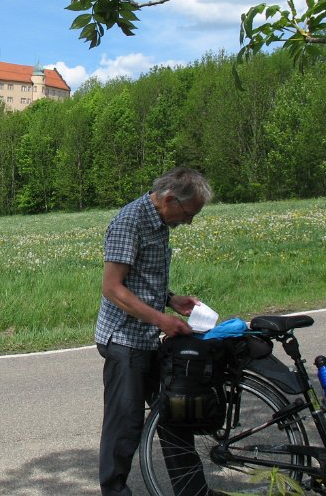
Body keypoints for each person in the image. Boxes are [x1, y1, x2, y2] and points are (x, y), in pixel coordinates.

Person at [95, 167, 213, 496]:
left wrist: (171, 299)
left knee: (175, 415)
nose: (188, 222)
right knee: (125, 426)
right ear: (170, 199)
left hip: (147, 337)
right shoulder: (130, 221)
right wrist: (162, 321)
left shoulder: (160, 221)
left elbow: (141, 280)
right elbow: (114, 289)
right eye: (189, 214)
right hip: (124, 340)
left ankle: (194, 492)